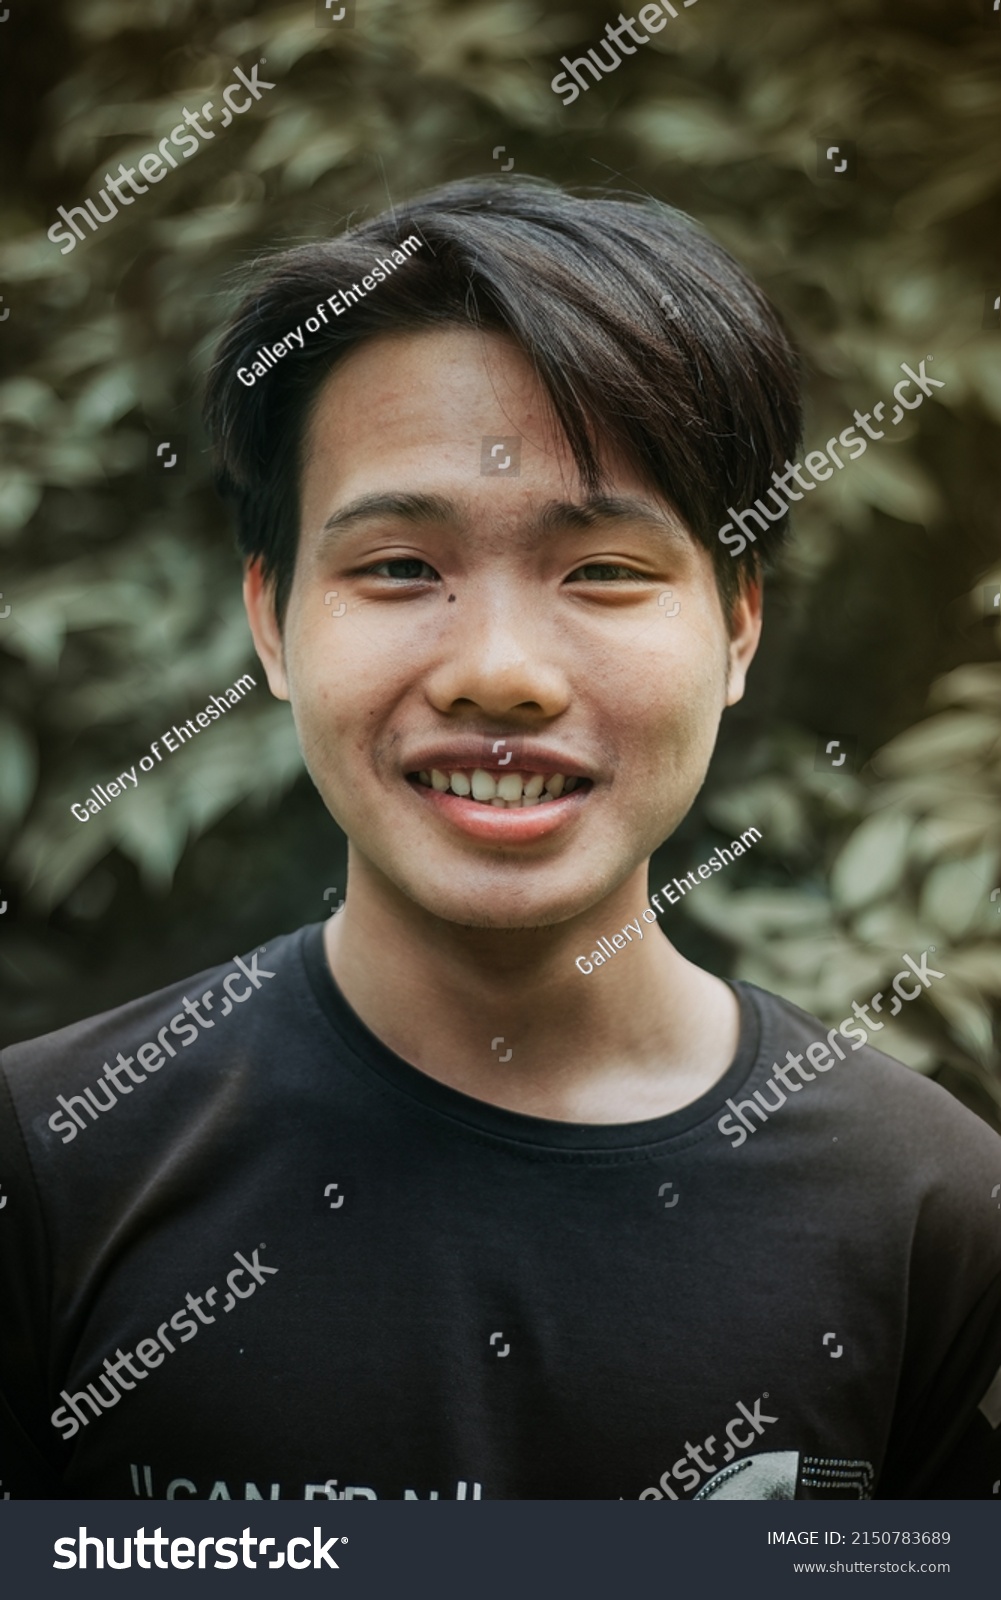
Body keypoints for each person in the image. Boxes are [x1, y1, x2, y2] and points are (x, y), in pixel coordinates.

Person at [2, 178, 998, 1502]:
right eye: (399, 567)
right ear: (271, 621)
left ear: (737, 626)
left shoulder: (934, 1213)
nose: (500, 674)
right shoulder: (52, 1161)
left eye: (602, 572)